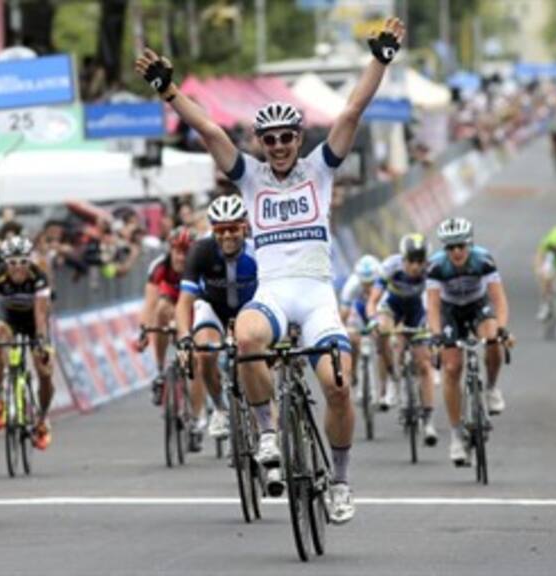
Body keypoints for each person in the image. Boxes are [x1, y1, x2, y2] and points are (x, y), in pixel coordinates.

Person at [136, 16, 406, 524]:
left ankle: (342, 482)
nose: (279, 145)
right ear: (260, 142)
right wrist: (169, 90)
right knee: (245, 336)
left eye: (286, 137)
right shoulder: (251, 178)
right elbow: (209, 128)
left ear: (298, 137)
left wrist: (380, 59)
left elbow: (352, 109)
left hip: (318, 293)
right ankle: (265, 432)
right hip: (276, 292)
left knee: (339, 388)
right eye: (270, 139)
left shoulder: (320, 168)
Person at [175, 195, 257, 451]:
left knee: (255, 354)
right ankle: (220, 408)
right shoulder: (201, 250)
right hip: (212, 308)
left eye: (234, 228)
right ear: (213, 230)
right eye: (220, 230)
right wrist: (183, 338)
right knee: (204, 353)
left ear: (245, 226)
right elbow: (184, 302)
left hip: (249, 307)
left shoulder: (259, 251)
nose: (227, 236)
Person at [426, 218, 511, 466]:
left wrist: (503, 328)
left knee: (493, 338)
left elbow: (499, 299)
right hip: (450, 310)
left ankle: (492, 387)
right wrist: (436, 334)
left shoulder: (483, 260)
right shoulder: (436, 266)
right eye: (450, 247)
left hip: (477, 305)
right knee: (452, 367)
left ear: (469, 244)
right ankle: (456, 434)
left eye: (461, 246)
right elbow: (432, 305)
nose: (456, 252)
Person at [366, 234, 438, 446]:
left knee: (424, 362)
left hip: (417, 309)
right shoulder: (390, 267)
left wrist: (434, 329)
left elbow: (436, 302)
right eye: (411, 261)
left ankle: (429, 420)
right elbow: (373, 301)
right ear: (403, 258)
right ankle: (390, 381)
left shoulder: (431, 269)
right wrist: (372, 319)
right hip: (393, 307)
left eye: (420, 261)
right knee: (383, 331)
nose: (416, 266)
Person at [0, 236, 55, 449]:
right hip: (8, 320)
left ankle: (42, 418)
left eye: (23, 262)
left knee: (44, 371)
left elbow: (41, 315)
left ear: (30, 261)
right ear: (5, 263)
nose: (18, 267)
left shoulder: (38, 277)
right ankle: (0, 397)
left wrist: (41, 343)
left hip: (33, 322)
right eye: (13, 262)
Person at [136, 226, 195, 405]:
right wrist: (144, 331)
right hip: (171, 300)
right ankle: (160, 370)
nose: (181, 257)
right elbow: (150, 303)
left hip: (193, 302)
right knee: (161, 309)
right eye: (178, 251)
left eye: (186, 252)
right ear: (170, 250)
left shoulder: (199, 264)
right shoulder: (159, 266)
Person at [339, 254, 381, 401]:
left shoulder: (383, 282)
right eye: (365, 283)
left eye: (372, 283)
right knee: (353, 340)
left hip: (377, 309)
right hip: (358, 310)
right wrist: (342, 330)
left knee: (383, 337)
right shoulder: (352, 285)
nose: (369, 286)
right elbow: (343, 314)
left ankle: (386, 386)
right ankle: (354, 370)